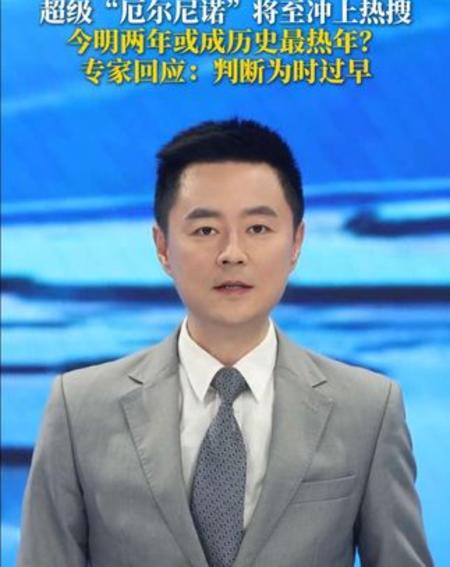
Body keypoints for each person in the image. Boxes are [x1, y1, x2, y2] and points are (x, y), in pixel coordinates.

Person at [18, 118, 433, 567]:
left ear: (296, 242)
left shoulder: (368, 410)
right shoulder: (79, 409)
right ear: (162, 246)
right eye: (205, 230)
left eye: (258, 229)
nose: (232, 253)